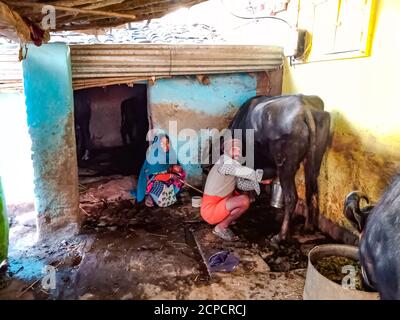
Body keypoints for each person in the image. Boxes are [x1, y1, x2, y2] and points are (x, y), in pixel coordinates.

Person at [200, 138, 271, 241]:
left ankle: (224, 219)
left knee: (240, 196)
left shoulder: (233, 165)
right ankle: (220, 228)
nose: (238, 151)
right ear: (226, 150)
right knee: (244, 201)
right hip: (210, 210)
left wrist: (258, 184)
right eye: (234, 149)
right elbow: (243, 171)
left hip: (219, 204)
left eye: (239, 149)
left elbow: (240, 184)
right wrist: (260, 177)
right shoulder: (224, 162)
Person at [133, 134, 185, 207]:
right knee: (159, 185)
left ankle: (170, 196)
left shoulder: (171, 153)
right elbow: (153, 177)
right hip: (156, 182)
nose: (166, 145)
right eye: (162, 143)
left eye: (167, 143)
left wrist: (176, 169)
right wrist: (170, 175)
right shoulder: (154, 156)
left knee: (179, 176)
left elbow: (176, 167)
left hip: (168, 179)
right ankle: (151, 197)